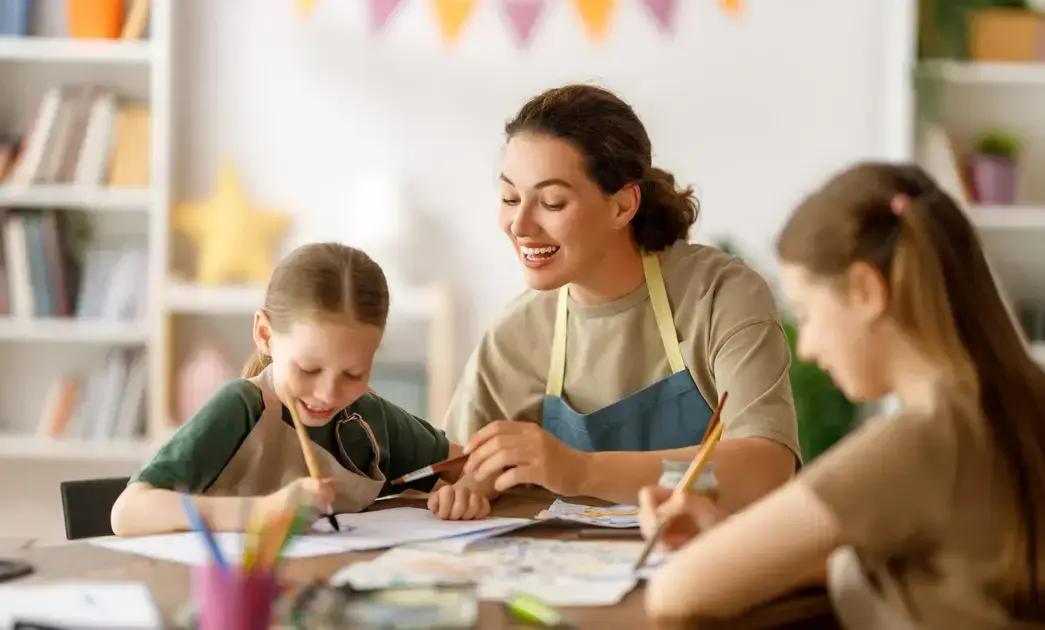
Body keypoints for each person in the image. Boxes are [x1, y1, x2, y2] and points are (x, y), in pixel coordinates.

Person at [640, 163, 1045, 628]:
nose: (808, 348)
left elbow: (676, 593)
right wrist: (738, 541)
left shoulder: (917, 442)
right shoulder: (1019, 401)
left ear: (867, 291)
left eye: (808, 312)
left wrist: (721, 550)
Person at [449, 84, 800, 508]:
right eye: (509, 197)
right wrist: (466, 489)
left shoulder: (719, 297)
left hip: (700, 564)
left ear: (622, 206)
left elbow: (766, 468)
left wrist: (580, 471)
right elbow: (453, 470)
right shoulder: (515, 335)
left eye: (552, 202)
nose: (520, 224)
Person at [111, 243, 492, 536]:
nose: (328, 393)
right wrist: (260, 512)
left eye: (354, 372)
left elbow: (474, 466)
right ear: (265, 335)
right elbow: (127, 512)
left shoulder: (371, 417)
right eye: (309, 368)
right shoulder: (242, 408)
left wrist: (469, 489)